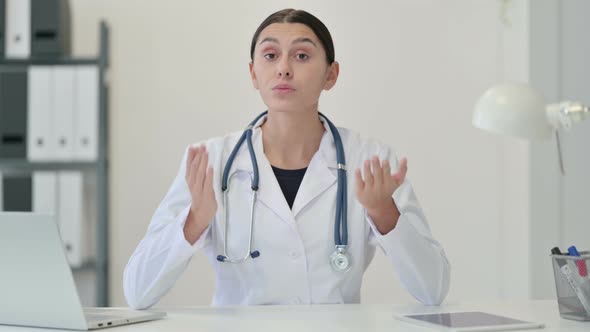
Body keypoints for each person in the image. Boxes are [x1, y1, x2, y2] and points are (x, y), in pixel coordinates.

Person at [124, 8, 450, 309]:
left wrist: (383, 212)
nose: (283, 68)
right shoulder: (210, 161)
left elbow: (433, 288)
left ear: (331, 75)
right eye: (270, 55)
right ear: (253, 73)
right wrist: (195, 221)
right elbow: (138, 291)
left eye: (302, 55)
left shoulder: (370, 160)